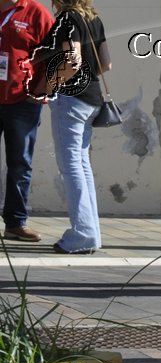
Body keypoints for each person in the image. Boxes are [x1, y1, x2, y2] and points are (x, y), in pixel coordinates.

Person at [44, 0, 105, 255]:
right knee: (81, 165)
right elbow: (107, 64)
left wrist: (50, 86)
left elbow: (73, 60)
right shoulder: (94, 18)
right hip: (92, 99)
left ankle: (81, 235)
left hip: (71, 100)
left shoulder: (67, 20)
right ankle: (90, 233)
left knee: (71, 168)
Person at [0, 0, 53, 242]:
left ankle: (15, 222)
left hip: (22, 102)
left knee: (20, 163)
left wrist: (41, 92)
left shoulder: (37, 13)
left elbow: (57, 57)